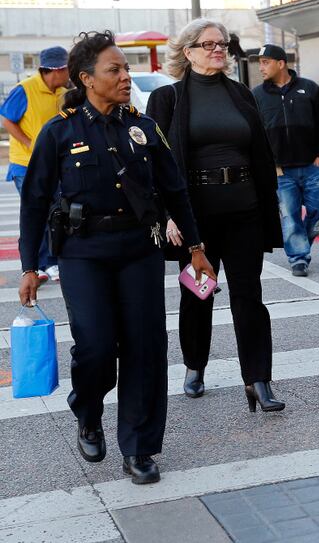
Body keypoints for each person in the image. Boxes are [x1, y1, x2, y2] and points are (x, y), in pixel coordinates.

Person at [17, 31, 216, 484]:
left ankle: (140, 448)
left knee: (146, 348)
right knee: (96, 348)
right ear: (86, 78)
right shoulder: (60, 130)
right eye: (115, 70)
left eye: (126, 69)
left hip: (139, 251)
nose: (126, 77)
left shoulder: (142, 128)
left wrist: (196, 248)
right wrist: (31, 266)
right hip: (84, 254)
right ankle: (87, 409)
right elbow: (34, 201)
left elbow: (175, 189)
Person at [146, 19, 285, 412]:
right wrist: (169, 215)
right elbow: (157, 165)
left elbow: (259, 153)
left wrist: (269, 204)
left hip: (244, 210)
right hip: (195, 216)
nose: (218, 49)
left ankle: (258, 379)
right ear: (188, 51)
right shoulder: (168, 99)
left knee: (249, 296)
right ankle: (194, 365)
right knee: (197, 296)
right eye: (208, 44)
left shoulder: (241, 94)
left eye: (222, 44)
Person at [252, 44, 319, 277]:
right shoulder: (257, 95)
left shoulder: (309, 89)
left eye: (265, 62)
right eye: (260, 62)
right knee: (290, 217)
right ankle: (298, 257)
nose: (261, 67)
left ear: (281, 63)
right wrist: (272, 166)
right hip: (281, 172)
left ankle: (301, 243)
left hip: (312, 167)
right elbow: (256, 134)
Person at [1, 46, 69, 282]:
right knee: (36, 213)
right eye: (67, 68)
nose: (69, 72)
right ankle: (36, 265)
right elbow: (7, 119)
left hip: (54, 165)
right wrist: (29, 143)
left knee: (55, 213)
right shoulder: (25, 89)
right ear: (56, 69)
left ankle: (51, 263)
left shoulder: (62, 91)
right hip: (25, 165)